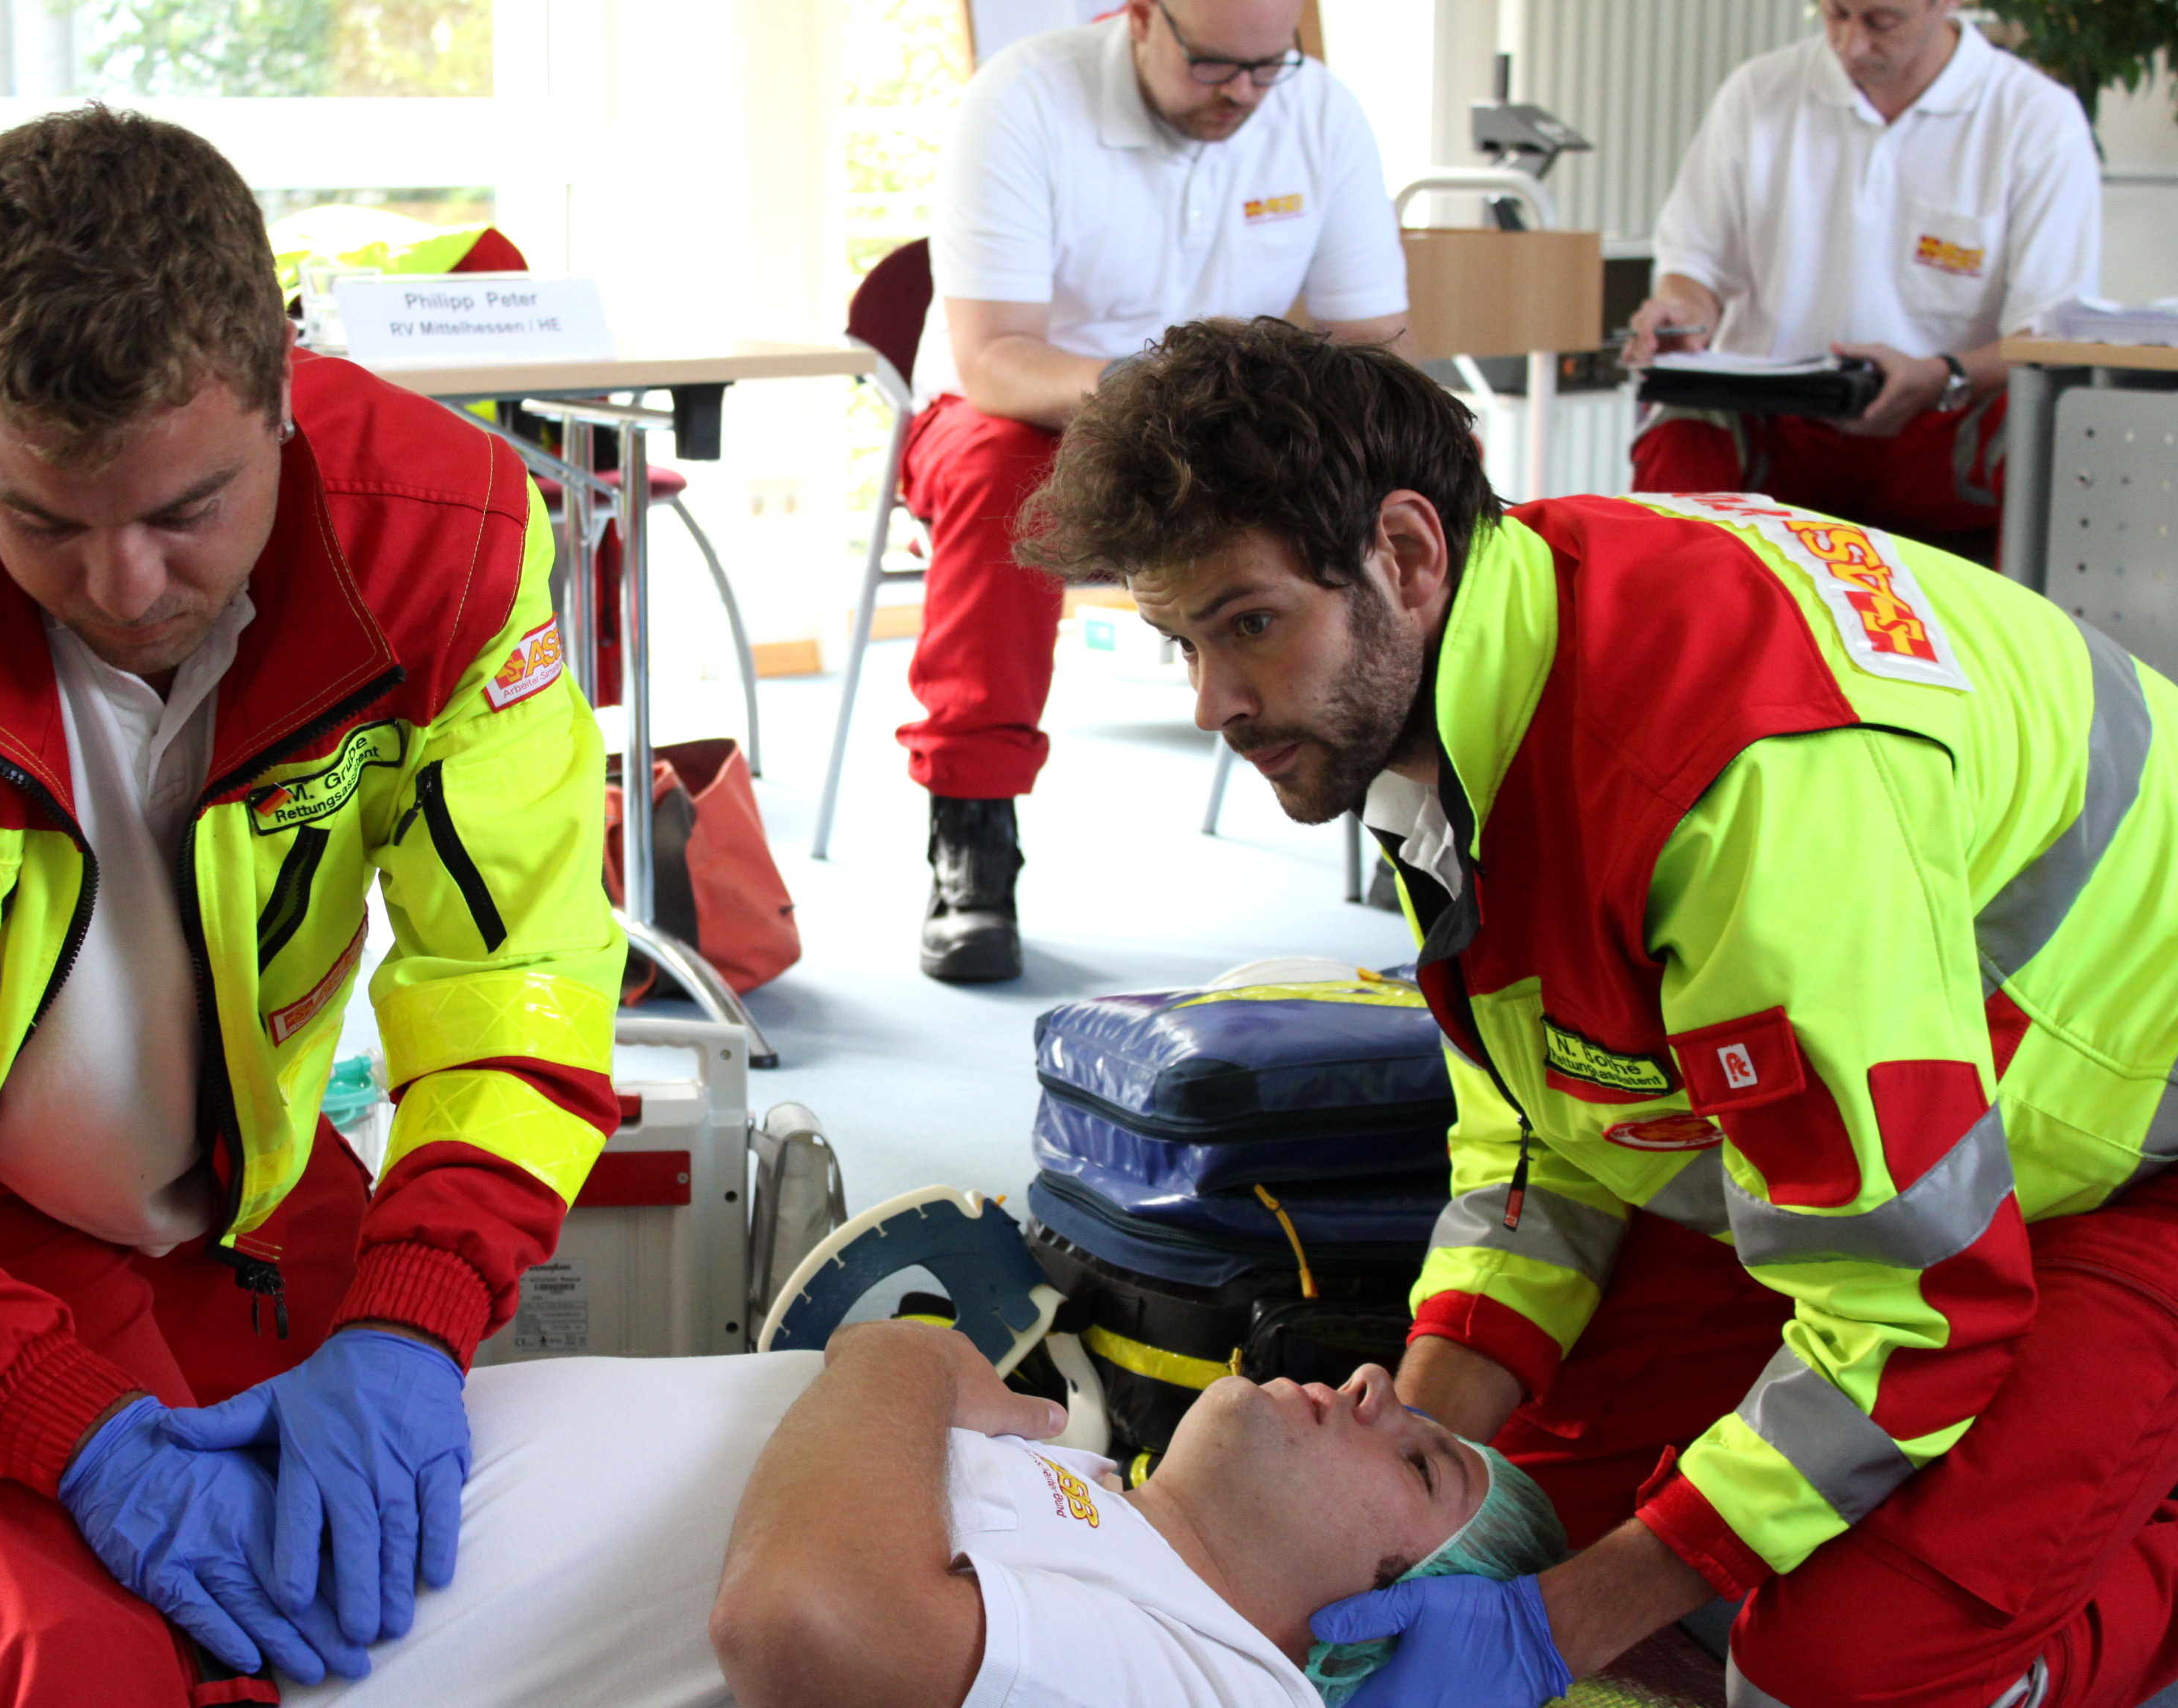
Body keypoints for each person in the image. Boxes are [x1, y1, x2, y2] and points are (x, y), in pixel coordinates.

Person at [1016, 315, 2178, 1708]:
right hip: (1902, 1153)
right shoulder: (1448, 679)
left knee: (1833, 1666)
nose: (1213, 701)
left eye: (1247, 624)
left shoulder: (1735, 775)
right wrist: (1404, 1448)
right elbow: (1545, 1124)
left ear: (1402, 552)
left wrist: (1555, 1627)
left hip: (2126, 1175)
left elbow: (1921, 1300)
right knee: (1522, 1509)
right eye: (1179, 641)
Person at [0, 106, 623, 1684]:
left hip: (258, 1186)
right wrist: (49, 1423)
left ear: (285, 399)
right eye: (43, 521)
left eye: (185, 510)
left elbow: (522, 984)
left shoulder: (449, 546)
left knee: (388, 1601)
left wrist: (418, 1308)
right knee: (89, 1644)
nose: (124, 588)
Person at [0, 1289, 1561, 1708]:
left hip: (185, 1654)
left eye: (1418, 1452)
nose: (1378, 1384)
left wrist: (892, 1355)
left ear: (1388, 1594)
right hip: (149, 1508)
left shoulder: (1207, 1687)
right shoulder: (1087, 1504)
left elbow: (798, 1622)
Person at [902, 0, 1409, 982]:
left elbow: (1374, 343)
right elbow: (996, 356)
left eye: (1271, 68)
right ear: (1140, 17)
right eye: (1217, 66)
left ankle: (1422, 791)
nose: (1245, 96)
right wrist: (1159, 397)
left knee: (1412, 479)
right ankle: (973, 838)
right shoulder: (1021, 99)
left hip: (1223, 427)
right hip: (1035, 415)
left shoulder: (1321, 111)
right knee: (1000, 476)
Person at [1622, 0, 2099, 563]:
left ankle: (2030, 645)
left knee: (2046, 439)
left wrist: (1943, 377)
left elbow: (2045, 339)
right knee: (1682, 428)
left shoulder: (2036, 117)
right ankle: (1666, 639)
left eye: (1881, 21)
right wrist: (1681, 310)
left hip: (1941, 429)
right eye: (1835, 15)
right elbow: (1694, 267)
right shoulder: (1759, 93)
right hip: (1780, 423)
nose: (1851, 44)